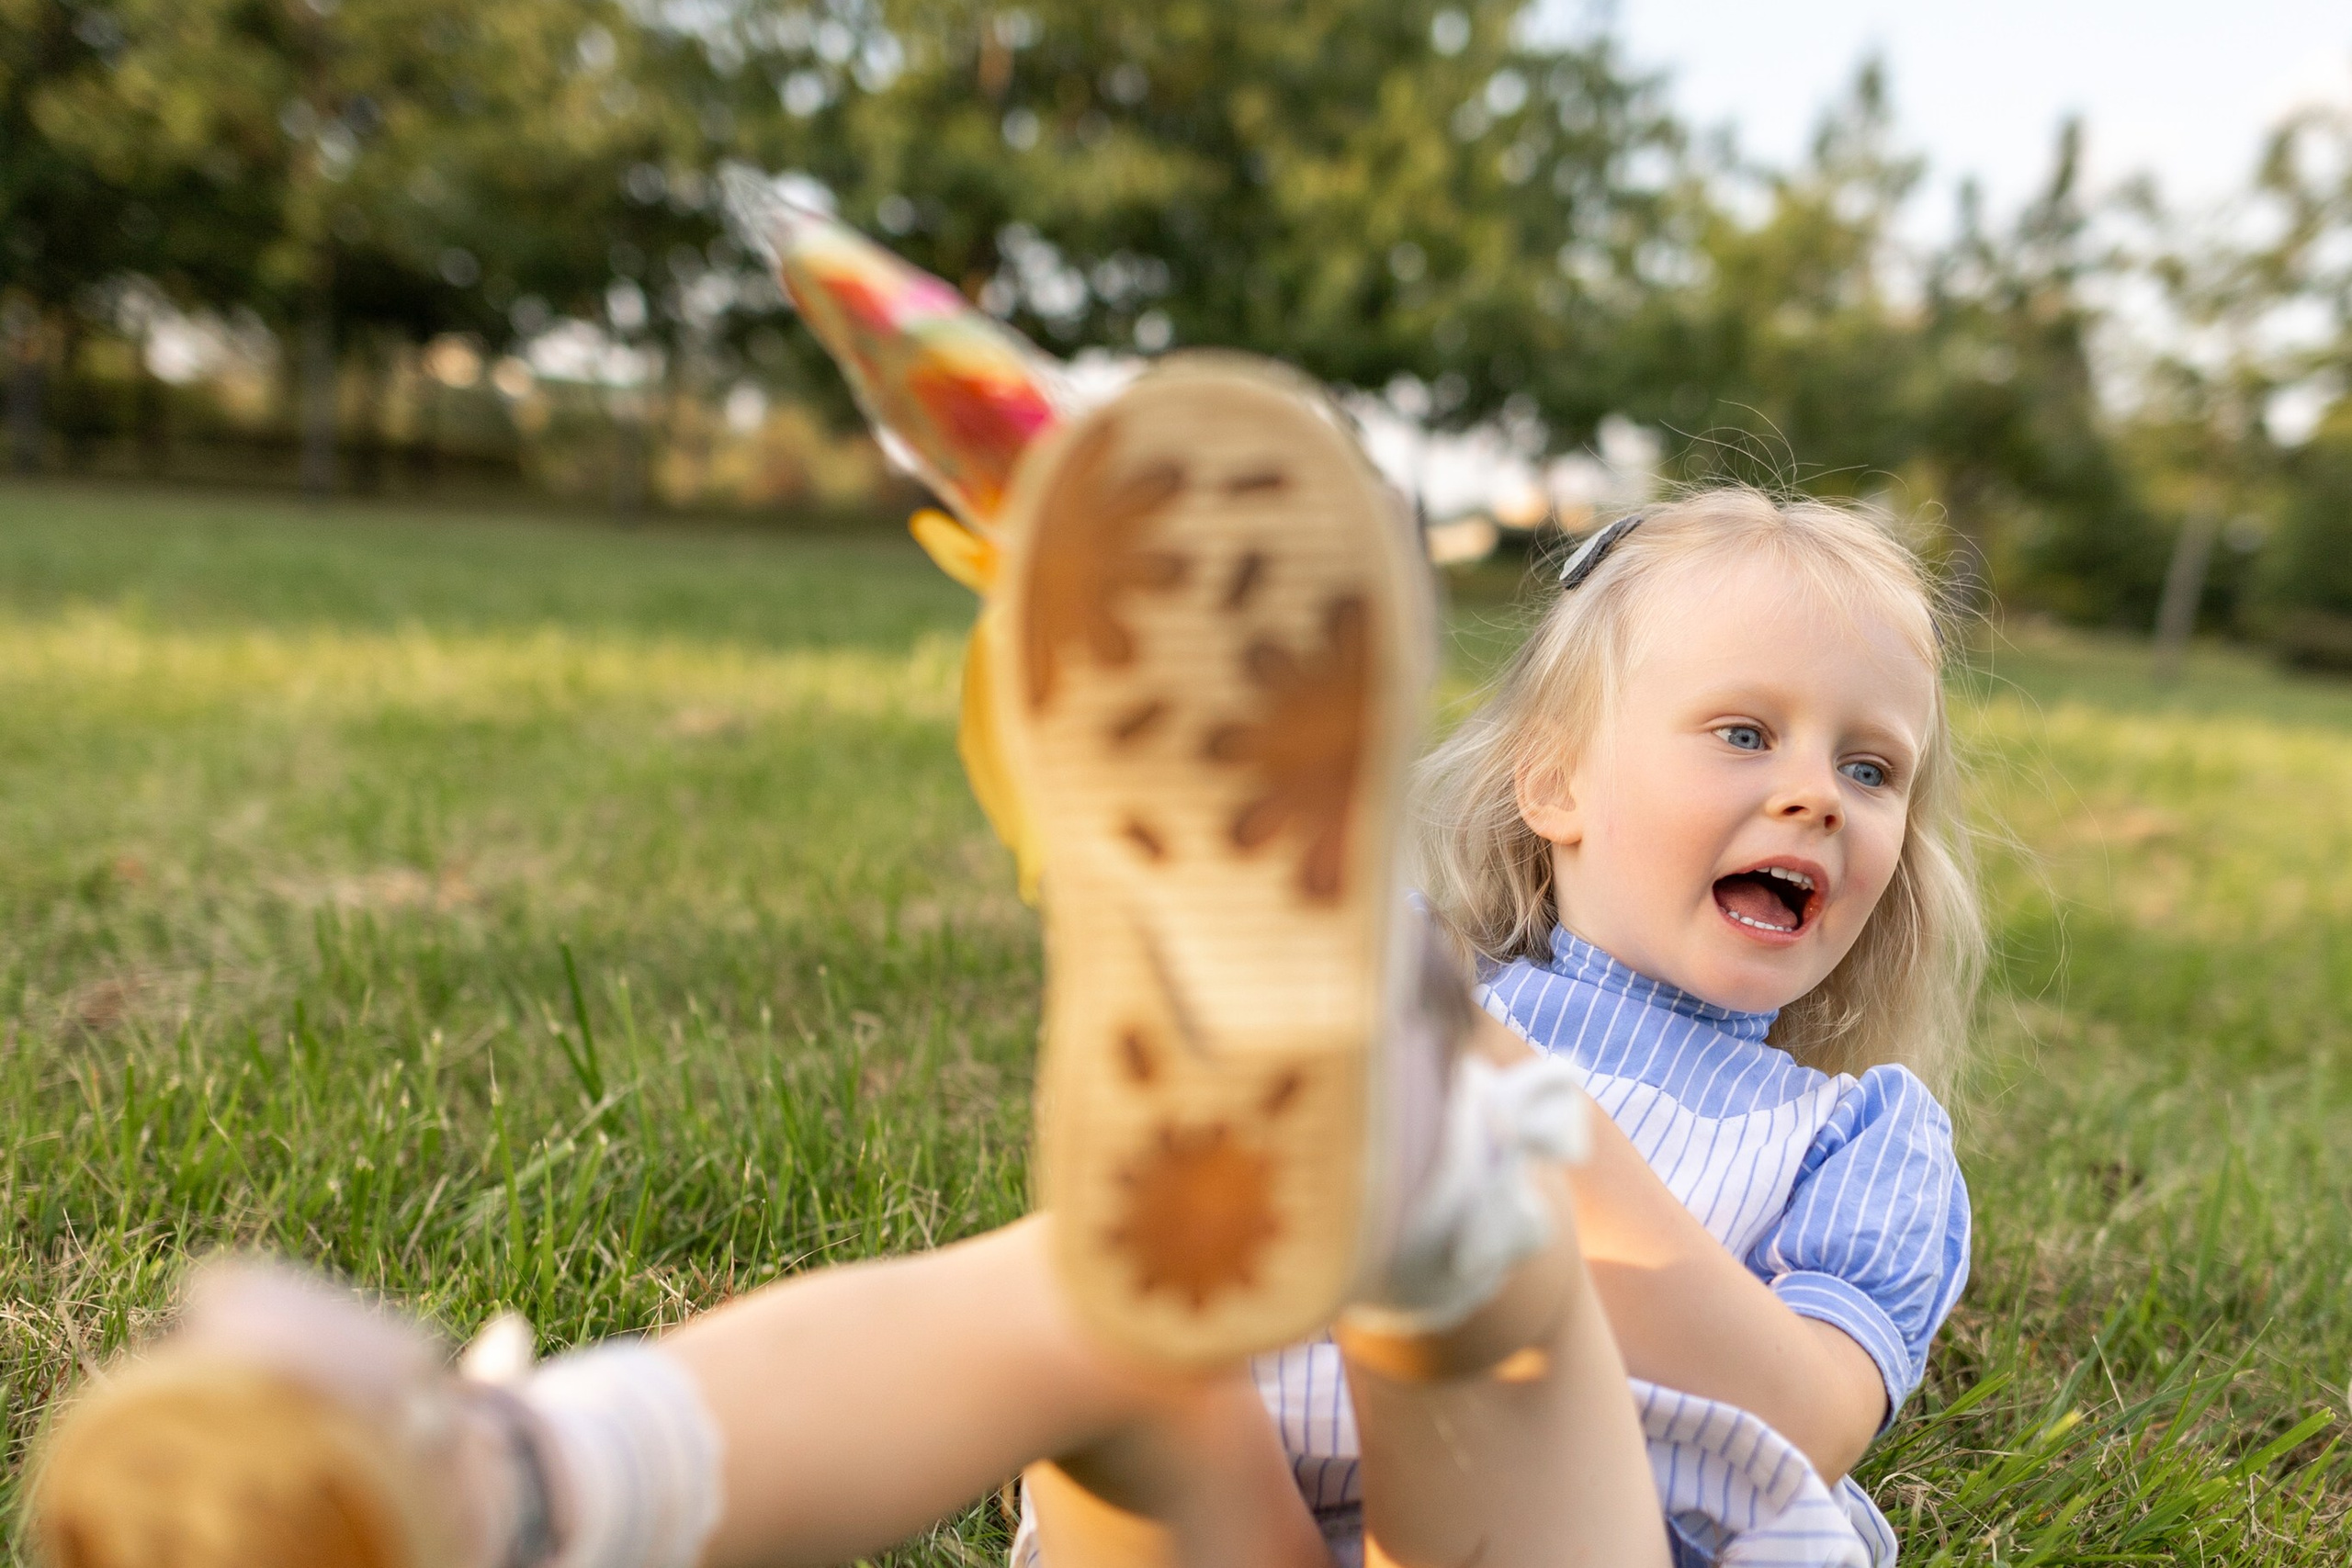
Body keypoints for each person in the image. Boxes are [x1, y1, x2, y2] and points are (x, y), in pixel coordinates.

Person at [29, 361, 1978, 1568]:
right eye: (1744, 732)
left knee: (1480, 1287)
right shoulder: (1396, 969)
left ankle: (1437, 1215)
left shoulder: (1858, 1135)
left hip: (1576, 1528)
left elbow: (1805, 1419)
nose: (1815, 795)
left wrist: (1504, 1115)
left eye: (1871, 767)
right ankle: (509, 1488)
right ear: (1550, 783)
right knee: (1094, 1305)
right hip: (1227, 1510)